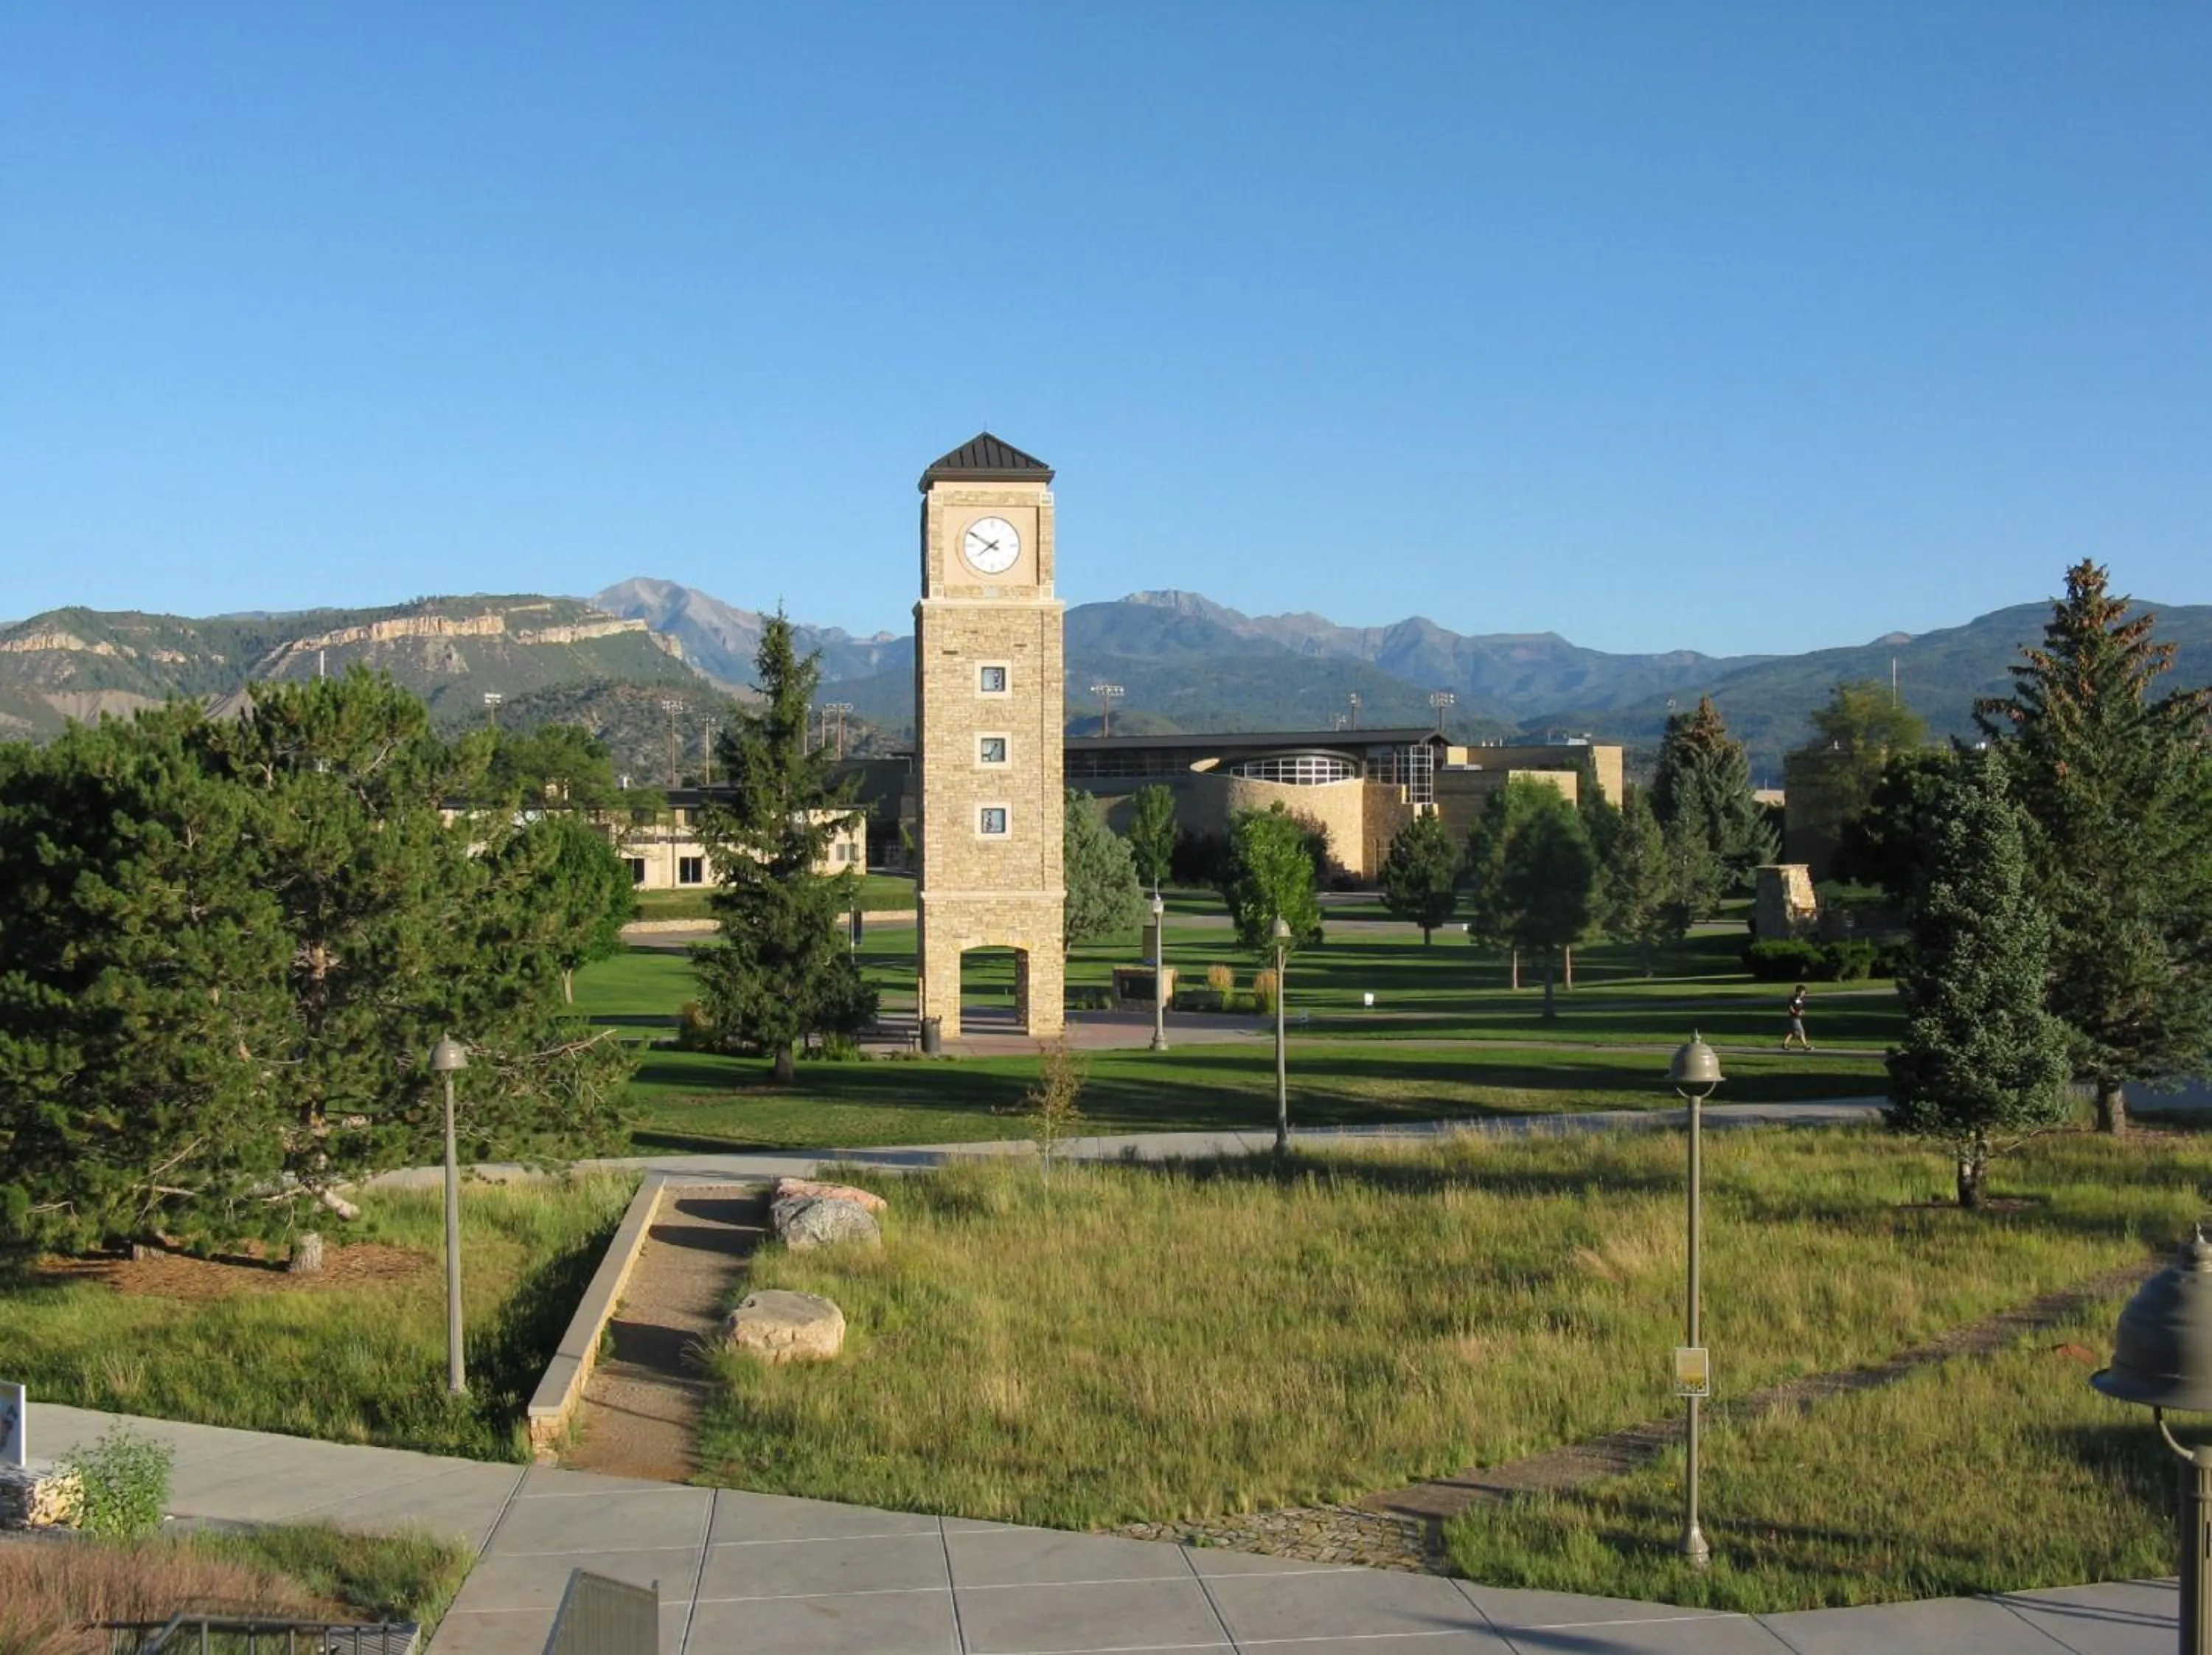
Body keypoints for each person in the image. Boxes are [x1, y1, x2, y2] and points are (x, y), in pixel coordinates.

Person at [1782, 983, 1814, 1051]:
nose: (1804, 993)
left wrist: (1802, 1011)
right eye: (1802, 992)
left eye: (1804, 992)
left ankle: (1785, 1044)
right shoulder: (1793, 998)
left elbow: (1799, 1008)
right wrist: (1796, 1013)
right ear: (1798, 992)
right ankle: (1806, 1046)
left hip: (1798, 1018)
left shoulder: (1800, 999)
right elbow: (1790, 1007)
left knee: (1793, 1033)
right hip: (1794, 1018)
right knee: (1801, 1032)